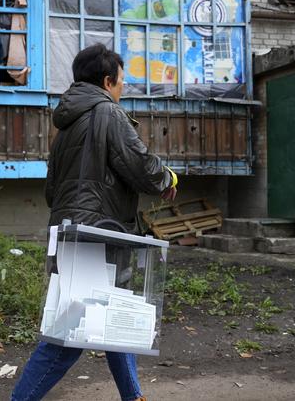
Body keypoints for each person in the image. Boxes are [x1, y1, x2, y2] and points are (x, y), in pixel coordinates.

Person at [11, 44, 177, 401]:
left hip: (75, 231)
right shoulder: (107, 113)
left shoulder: (66, 126)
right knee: (69, 333)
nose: (122, 89)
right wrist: (167, 180)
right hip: (98, 235)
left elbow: (52, 191)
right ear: (106, 81)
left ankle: (134, 397)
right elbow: (142, 166)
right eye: (121, 82)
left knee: (115, 321)